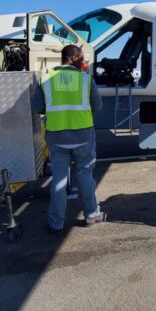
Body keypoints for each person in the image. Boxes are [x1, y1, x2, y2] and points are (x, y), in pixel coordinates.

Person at [32, 44, 106, 233]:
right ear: (73, 58)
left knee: (59, 179)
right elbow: (97, 107)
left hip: (57, 136)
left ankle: (56, 222)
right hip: (83, 136)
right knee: (85, 175)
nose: (84, 60)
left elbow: (37, 107)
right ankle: (91, 214)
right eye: (81, 57)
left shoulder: (45, 79)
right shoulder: (86, 79)